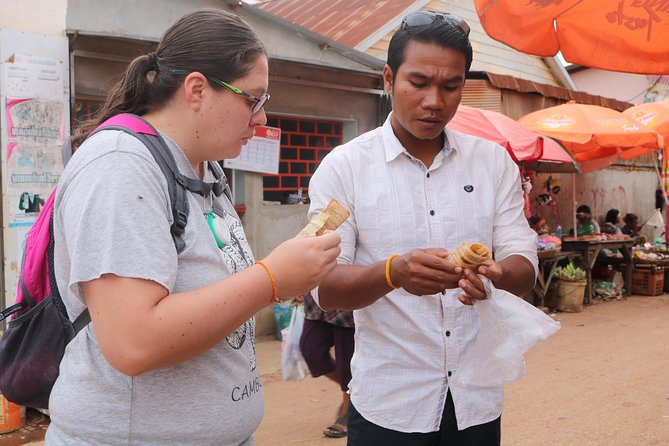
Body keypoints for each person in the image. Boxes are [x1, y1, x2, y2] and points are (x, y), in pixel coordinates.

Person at [45, 9, 341, 445]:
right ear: (197, 90)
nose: (261, 119)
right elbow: (133, 342)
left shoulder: (206, 171)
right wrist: (272, 278)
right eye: (252, 99)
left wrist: (282, 272)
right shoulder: (121, 167)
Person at [306, 10, 537, 445]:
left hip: (475, 401)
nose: (436, 101)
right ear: (390, 79)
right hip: (389, 405)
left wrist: (498, 276)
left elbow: (523, 262)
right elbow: (325, 286)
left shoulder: (492, 164)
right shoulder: (345, 168)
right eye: (419, 83)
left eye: (451, 87)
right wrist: (392, 273)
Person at [298, 292, 355, 438]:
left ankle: (347, 408)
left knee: (347, 361)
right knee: (311, 350)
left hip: (348, 295)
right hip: (317, 294)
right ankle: (355, 393)